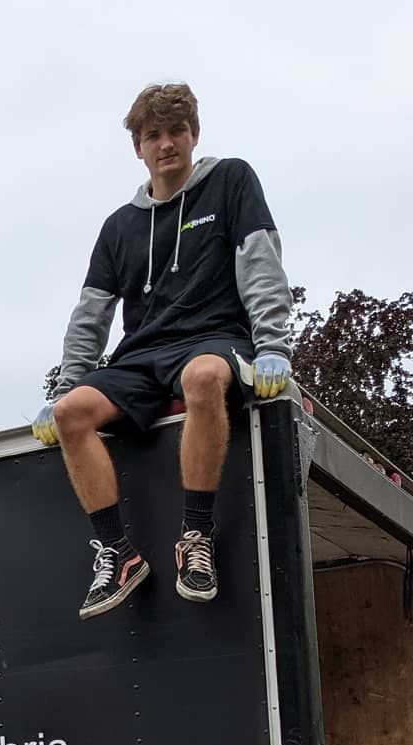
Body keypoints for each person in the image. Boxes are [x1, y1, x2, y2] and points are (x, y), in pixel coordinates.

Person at [31, 83, 294, 619]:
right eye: (153, 135)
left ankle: (195, 536)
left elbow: (261, 264)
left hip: (213, 338)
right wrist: (64, 388)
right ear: (139, 147)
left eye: (177, 131)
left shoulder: (230, 181)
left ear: (194, 134)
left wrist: (273, 346)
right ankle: (119, 554)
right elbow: (91, 315)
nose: (167, 143)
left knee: (202, 378)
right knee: (72, 412)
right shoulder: (119, 227)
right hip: (142, 355)